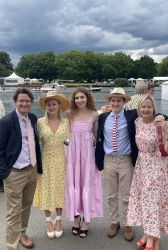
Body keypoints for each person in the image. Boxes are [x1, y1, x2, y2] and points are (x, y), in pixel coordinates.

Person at [0, 88, 42, 250]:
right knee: (13, 211)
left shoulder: (32, 118)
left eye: (27, 101)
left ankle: (22, 233)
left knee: (26, 206)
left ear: (32, 103)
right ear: (15, 102)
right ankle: (11, 245)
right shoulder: (5, 122)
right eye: (21, 101)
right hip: (14, 173)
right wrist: (5, 174)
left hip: (31, 170)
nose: (24, 104)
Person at [127, 95, 168, 250]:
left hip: (156, 166)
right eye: (143, 107)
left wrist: (166, 130)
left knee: (152, 202)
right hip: (142, 165)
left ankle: (152, 239)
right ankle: (147, 234)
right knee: (144, 201)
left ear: (154, 108)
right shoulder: (137, 122)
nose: (146, 110)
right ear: (139, 108)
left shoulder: (161, 123)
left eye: (149, 107)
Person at [95, 87, 138, 241]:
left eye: (119, 100)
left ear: (124, 102)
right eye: (113, 100)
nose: (115, 103)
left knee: (127, 196)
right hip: (109, 160)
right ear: (109, 102)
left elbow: (150, 113)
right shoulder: (103, 117)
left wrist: (162, 117)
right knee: (112, 196)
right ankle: (114, 222)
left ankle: (128, 224)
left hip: (125, 160)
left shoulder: (132, 115)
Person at [65, 87, 103, 238]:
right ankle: (75, 218)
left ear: (88, 98)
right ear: (73, 100)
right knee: (73, 184)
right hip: (74, 155)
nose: (79, 100)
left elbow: (96, 137)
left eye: (82, 97)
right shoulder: (69, 114)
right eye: (77, 98)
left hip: (88, 156)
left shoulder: (94, 115)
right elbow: (66, 134)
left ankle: (86, 219)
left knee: (86, 184)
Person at [33, 91, 70, 239]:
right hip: (45, 161)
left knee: (60, 190)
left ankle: (59, 220)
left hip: (62, 160)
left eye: (54, 104)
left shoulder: (67, 122)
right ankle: (48, 221)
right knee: (46, 190)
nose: (51, 107)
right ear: (45, 106)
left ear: (59, 105)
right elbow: (34, 143)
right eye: (49, 104)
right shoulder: (40, 122)